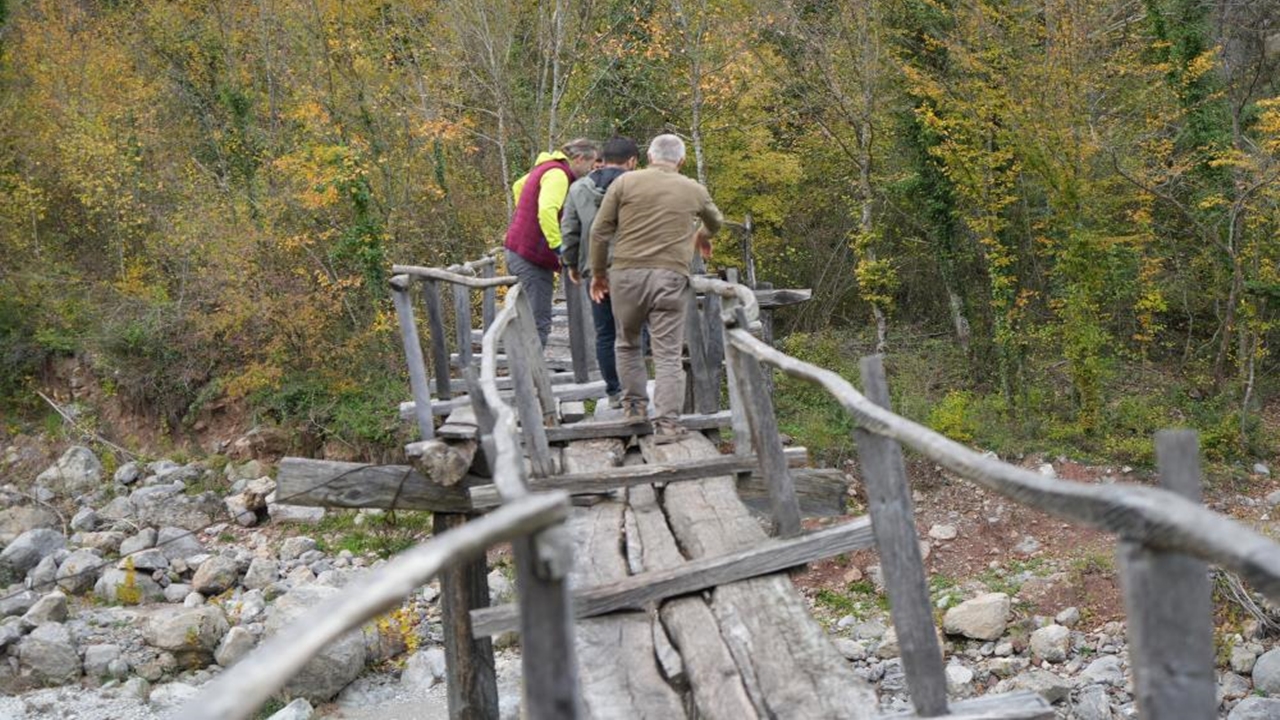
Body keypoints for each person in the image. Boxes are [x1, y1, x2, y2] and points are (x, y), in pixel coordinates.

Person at [589, 134, 722, 444]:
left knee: (627, 343)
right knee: (667, 354)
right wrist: (701, 236)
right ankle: (667, 424)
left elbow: (599, 231)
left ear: (649, 157)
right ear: (682, 161)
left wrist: (598, 274)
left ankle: (634, 407)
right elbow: (716, 221)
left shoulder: (624, 184)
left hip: (626, 276)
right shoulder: (693, 189)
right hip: (670, 278)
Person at [560, 136, 640, 409]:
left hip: (596, 272)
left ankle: (615, 392)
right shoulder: (639, 186)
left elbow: (570, 230)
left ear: (602, 159)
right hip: (633, 268)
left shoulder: (579, 188)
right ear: (632, 161)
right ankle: (636, 393)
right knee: (633, 331)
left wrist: (571, 263)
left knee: (604, 332)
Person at [504, 139, 600, 347]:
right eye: (591, 163)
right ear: (580, 158)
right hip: (530, 257)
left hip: (517, 249)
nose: (591, 169)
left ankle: (527, 372)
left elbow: (518, 185)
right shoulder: (559, 175)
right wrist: (558, 247)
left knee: (528, 316)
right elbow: (547, 210)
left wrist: (524, 218)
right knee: (539, 322)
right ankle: (531, 377)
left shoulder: (547, 167)